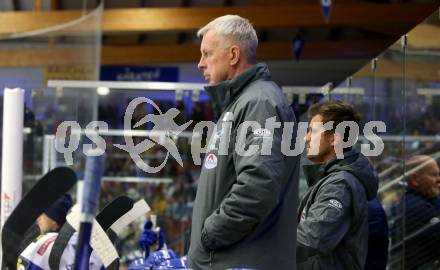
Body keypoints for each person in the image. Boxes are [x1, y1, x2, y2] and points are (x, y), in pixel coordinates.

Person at [188, 15, 300, 270]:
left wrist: (209, 235)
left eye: (207, 54)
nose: (200, 64)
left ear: (233, 55)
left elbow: (257, 186)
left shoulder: (258, 103)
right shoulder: (242, 104)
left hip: (239, 261)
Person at [297, 101, 379, 269]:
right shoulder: (331, 179)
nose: (307, 138)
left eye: (313, 131)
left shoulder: (339, 185)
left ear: (334, 139)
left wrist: (266, 250)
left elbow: (313, 238)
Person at [390, 155, 440, 270]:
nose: (439, 179)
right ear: (415, 179)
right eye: (434, 175)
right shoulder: (416, 208)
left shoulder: (418, 200)